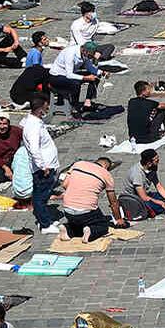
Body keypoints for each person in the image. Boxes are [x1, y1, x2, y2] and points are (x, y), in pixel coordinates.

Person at [58, 157, 127, 242]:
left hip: (67, 209)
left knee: (79, 223)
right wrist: (119, 219)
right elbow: (113, 202)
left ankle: (67, 229)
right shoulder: (106, 174)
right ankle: (90, 232)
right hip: (86, 210)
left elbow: (64, 185)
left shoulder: (78, 164)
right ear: (106, 166)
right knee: (102, 226)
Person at [23, 95, 62, 233]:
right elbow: (34, 148)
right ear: (40, 110)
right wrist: (42, 166)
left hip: (46, 165)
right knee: (40, 196)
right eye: (46, 107)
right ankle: (45, 224)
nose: (47, 109)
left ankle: (44, 218)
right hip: (43, 167)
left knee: (43, 194)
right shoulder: (33, 127)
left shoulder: (35, 122)